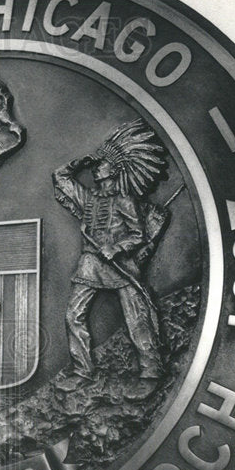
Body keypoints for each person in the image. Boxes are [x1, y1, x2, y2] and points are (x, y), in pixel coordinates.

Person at [52, 119, 168, 380]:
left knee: (137, 318)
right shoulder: (88, 198)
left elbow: (139, 234)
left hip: (120, 266)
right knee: (73, 316)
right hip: (90, 264)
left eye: (101, 164)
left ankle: (151, 370)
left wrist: (116, 248)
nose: (96, 168)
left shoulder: (125, 200)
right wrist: (81, 161)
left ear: (113, 170)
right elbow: (60, 177)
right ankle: (83, 369)